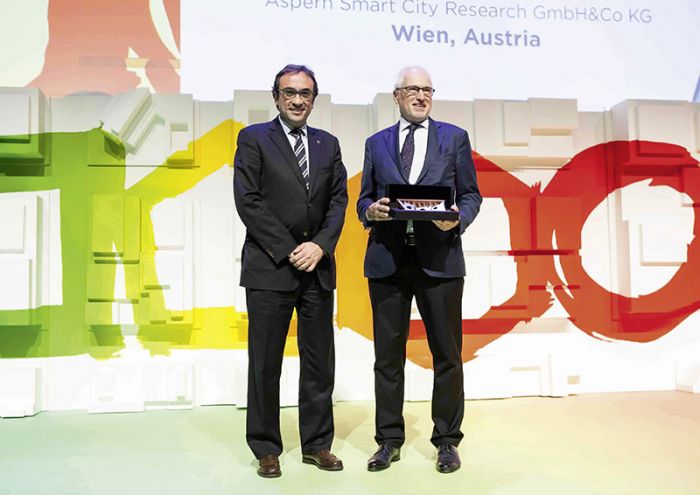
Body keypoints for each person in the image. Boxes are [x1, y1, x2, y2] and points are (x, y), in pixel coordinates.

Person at [357, 66, 482, 474]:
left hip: (441, 260)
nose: (421, 95)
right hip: (387, 261)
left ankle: (447, 440)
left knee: (446, 355)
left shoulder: (454, 138)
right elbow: (364, 200)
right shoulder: (376, 144)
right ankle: (388, 440)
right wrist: (369, 211)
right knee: (387, 357)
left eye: (427, 89)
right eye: (413, 89)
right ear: (395, 95)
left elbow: (470, 194)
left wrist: (458, 219)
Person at [234, 64, 348, 478]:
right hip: (270, 268)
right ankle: (266, 447)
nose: (298, 100)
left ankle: (318, 444)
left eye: (305, 93)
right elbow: (248, 201)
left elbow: (339, 201)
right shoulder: (253, 139)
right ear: (276, 97)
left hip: (317, 268)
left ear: (314, 98)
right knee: (265, 362)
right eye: (289, 93)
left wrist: (319, 245)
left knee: (319, 362)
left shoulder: (328, 143)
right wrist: (289, 250)